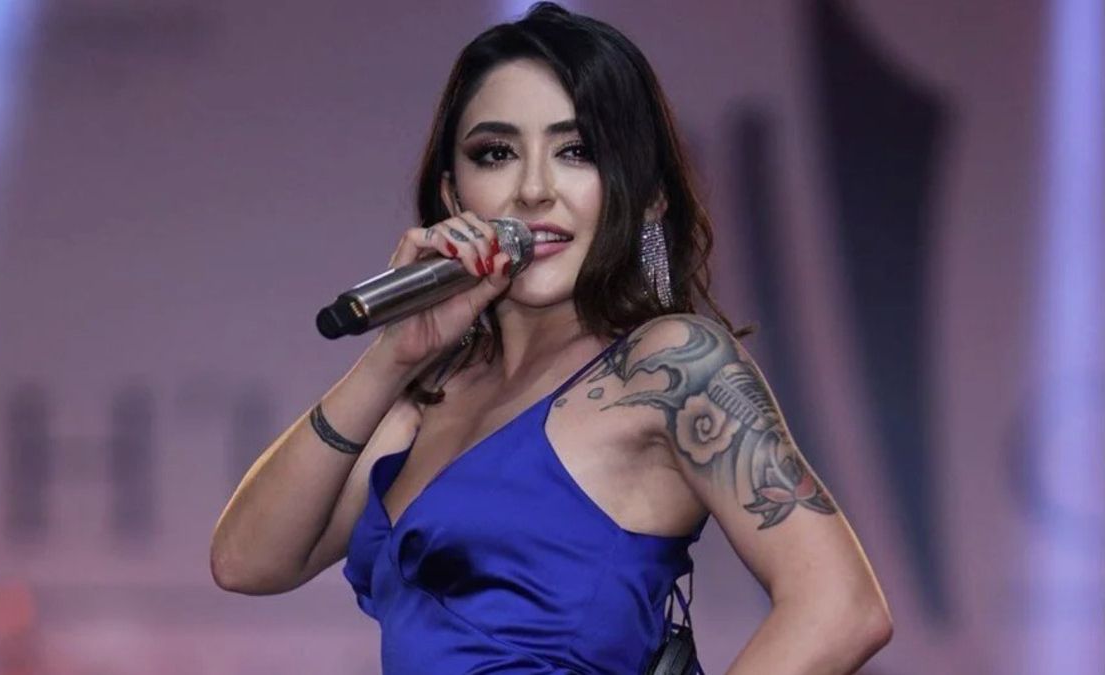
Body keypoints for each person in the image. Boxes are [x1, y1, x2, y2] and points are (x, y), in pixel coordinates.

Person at [210, 3, 892, 673]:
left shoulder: (670, 366)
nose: (534, 190)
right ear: (454, 194)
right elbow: (246, 561)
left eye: (577, 151)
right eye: (496, 153)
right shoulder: (430, 392)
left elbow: (840, 608)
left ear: (646, 194)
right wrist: (394, 356)